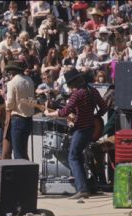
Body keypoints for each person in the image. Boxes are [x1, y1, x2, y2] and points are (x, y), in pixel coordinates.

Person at [44, 68, 107, 199]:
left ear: (73, 82)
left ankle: (82, 189)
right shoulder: (93, 91)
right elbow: (104, 107)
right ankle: (85, 185)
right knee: (79, 157)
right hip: (90, 128)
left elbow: (64, 112)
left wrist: (48, 114)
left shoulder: (78, 94)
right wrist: (95, 117)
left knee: (72, 156)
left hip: (81, 129)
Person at [3, 60, 35, 160]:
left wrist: (4, 99)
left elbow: (9, 104)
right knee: (23, 151)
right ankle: (27, 175)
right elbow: (31, 99)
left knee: (18, 155)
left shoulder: (12, 83)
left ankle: (23, 175)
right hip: (28, 119)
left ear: (11, 72)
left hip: (17, 119)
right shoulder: (29, 80)